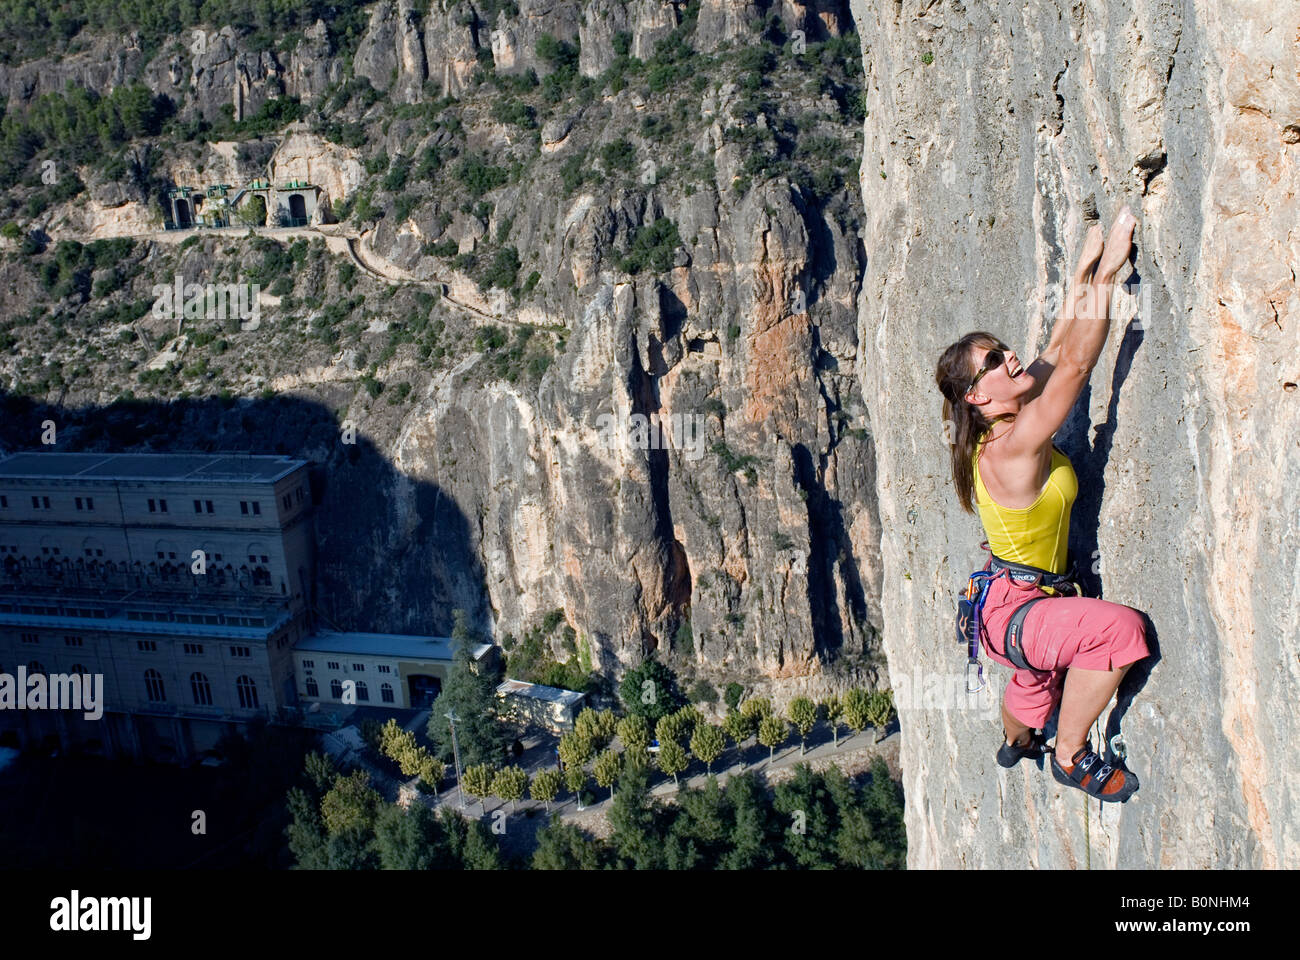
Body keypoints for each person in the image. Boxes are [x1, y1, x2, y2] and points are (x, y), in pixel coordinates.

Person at [933, 207, 1148, 802]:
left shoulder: (999, 427)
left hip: (1011, 604)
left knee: (1035, 677)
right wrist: (1108, 277)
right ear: (978, 397)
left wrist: (1080, 282)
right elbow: (1077, 365)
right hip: (1021, 612)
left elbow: (1056, 347)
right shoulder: (1012, 444)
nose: (1011, 359)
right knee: (1119, 632)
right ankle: (1069, 755)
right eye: (996, 363)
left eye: (1002, 350)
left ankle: (1017, 740)